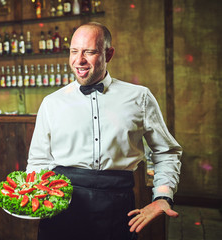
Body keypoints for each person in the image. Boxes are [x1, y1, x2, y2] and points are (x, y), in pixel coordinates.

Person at [26, 22, 182, 240]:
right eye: (74, 51)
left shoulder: (140, 97)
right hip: (60, 209)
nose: (79, 60)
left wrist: (163, 196)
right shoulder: (51, 103)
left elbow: (166, 151)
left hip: (117, 210)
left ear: (109, 54)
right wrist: (32, 198)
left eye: (89, 52)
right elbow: (39, 160)